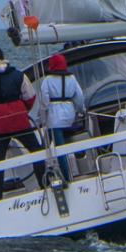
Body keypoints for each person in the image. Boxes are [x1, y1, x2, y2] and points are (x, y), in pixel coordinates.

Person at [0, 46, 47, 202]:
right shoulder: (18, 75)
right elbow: (30, 97)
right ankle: (44, 184)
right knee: (36, 151)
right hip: (19, 120)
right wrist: (22, 110)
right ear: (3, 57)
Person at [36, 53, 86, 182]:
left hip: (54, 119)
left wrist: (41, 119)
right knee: (67, 142)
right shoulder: (72, 78)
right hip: (70, 116)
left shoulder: (47, 80)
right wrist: (81, 111)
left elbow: (44, 102)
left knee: (57, 150)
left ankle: (65, 177)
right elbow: (79, 97)